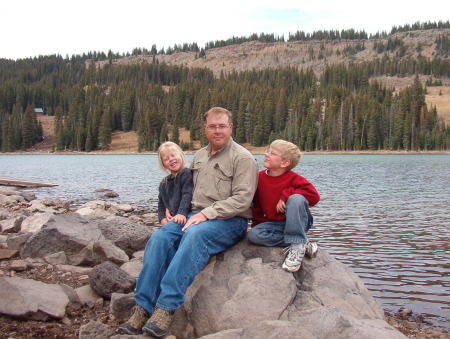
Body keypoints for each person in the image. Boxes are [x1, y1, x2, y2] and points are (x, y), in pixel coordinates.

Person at [118, 107, 259, 337]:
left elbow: (243, 200)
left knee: (195, 235)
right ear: (205, 129)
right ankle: (143, 307)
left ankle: (166, 307)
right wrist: (169, 212)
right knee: (159, 237)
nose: (217, 130)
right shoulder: (200, 156)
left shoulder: (242, 158)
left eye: (222, 126)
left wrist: (208, 213)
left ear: (230, 128)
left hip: (230, 221)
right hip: (194, 215)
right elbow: (185, 189)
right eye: (212, 126)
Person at [247, 139, 320, 273]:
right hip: (272, 225)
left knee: (296, 198)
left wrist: (287, 195)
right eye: (267, 151)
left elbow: (314, 197)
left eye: (272, 153)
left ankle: (297, 247)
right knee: (253, 236)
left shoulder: (293, 178)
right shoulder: (259, 177)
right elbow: (255, 204)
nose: (267, 154)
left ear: (285, 163)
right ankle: (302, 242)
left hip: (297, 222)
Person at [156, 141, 193, 226]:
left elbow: (187, 195)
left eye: (173, 155)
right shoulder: (164, 183)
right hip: (173, 218)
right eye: (166, 159)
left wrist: (181, 213)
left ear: (181, 155)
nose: (171, 159)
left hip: (185, 216)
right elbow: (161, 204)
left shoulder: (187, 174)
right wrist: (163, 219)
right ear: (163, 164)